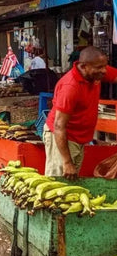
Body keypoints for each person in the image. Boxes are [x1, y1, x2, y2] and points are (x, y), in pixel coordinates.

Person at [43, 46, 117, 179]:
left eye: (105, 66)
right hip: (62, 137)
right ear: (83, 66)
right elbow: (59, 126)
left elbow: (115, 75)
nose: (104, 71)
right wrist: (66, 161)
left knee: (72, 180)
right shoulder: (70, 87)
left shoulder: (94, 73)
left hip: (79, 138)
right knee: (57, 182)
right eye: (100, 67)